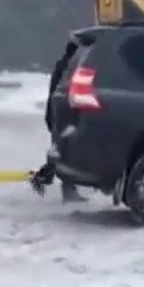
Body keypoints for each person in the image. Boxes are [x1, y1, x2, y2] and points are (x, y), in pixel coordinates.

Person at [30, 39, 84, 202]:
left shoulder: (63, 65)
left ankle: (47, 180)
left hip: (57, 113)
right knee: (65, 152)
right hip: (60, 114)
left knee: (61, 152)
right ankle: (57, 184)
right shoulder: (68, 68)